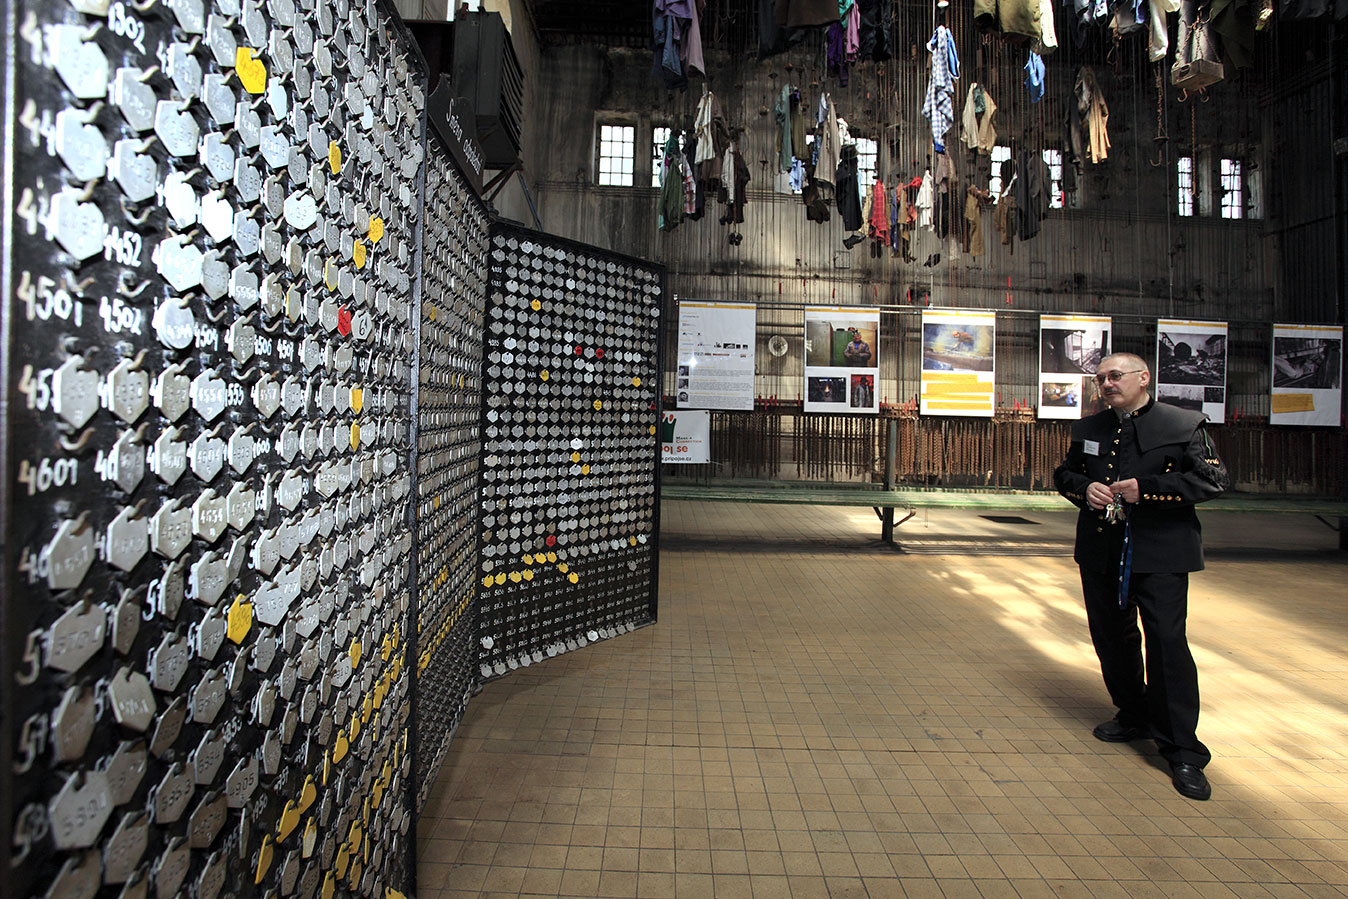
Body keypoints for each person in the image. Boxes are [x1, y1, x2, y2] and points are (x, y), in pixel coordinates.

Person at [1053, 352, 1229, 801]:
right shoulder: (1090, 428)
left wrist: (1147, 490)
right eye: (1100, 378)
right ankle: (1133, 713)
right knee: (1112, 637)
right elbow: (1065, 473)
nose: (1106, 384)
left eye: (1115, 376)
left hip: (1161, 553)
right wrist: (1081, 488)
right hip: (1101, 550)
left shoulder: (1183, 424)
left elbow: (1213, 480)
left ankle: (1183, 751)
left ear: (1143, 377)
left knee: (1167, 645)